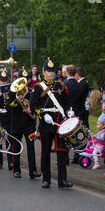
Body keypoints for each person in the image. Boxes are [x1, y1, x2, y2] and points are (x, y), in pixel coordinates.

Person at [30, 58, 73, 189]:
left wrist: (69, 112)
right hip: (46, 122)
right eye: (48, 71)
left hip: (59, 121)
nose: (50, 73)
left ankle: (62, 180)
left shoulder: (60, 86)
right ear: (43, 72)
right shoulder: (37, 87)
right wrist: (43, 115)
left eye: (52, 71)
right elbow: (33, 107)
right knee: (45, 151)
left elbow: (66, 103)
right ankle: (46, 178)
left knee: (62, 151)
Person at [7, 73, 41, 179]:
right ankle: (16, 170)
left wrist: (30, 108)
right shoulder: (12, 92)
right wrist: (17, 101)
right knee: (16, 148)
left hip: (28, 124)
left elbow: (36, 104)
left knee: (31, 148)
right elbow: (8, 107)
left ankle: (33, 171)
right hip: (16, 124)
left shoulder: (31, 92)